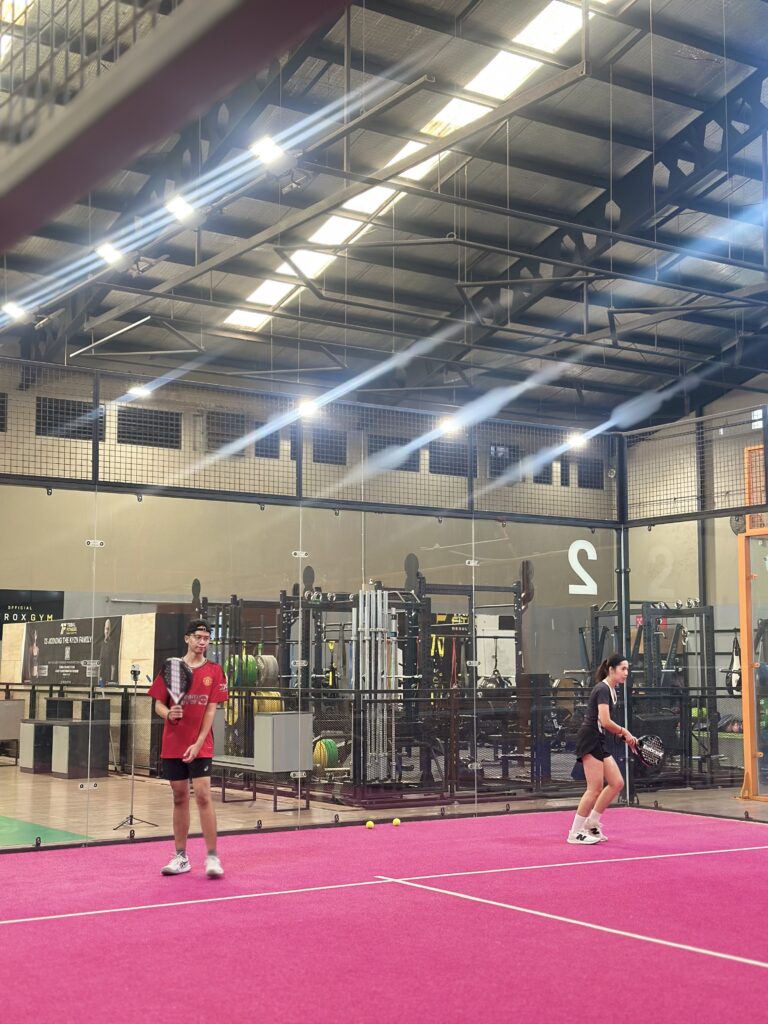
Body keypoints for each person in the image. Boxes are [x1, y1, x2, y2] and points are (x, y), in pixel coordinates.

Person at [148, 620, 228, 878]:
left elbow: (210, 711)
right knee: (179, 797)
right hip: (173, 743)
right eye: (198, 637)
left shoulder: (215, 671)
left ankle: (212, 857)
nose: (202, 642)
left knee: (203, 795)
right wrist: (168, 713)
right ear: (187, 638)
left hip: (200, 745)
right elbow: (158, 704)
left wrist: (199, 742)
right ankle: (181, 857)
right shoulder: (171, 668)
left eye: (206, 638)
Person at [567, 653, 637, 845]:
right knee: (594, 789)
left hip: (598, 738)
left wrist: (624, 736)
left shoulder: (612, 690)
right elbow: (605, 721)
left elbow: (604, 723)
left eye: (627, 669)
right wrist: (625, 732)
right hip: (590, 738)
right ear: (611, 670)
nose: (626, 673)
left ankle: (592, 823)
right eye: (623, 669)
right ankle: (575, 832)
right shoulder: (602, 689)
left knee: (616, 783)